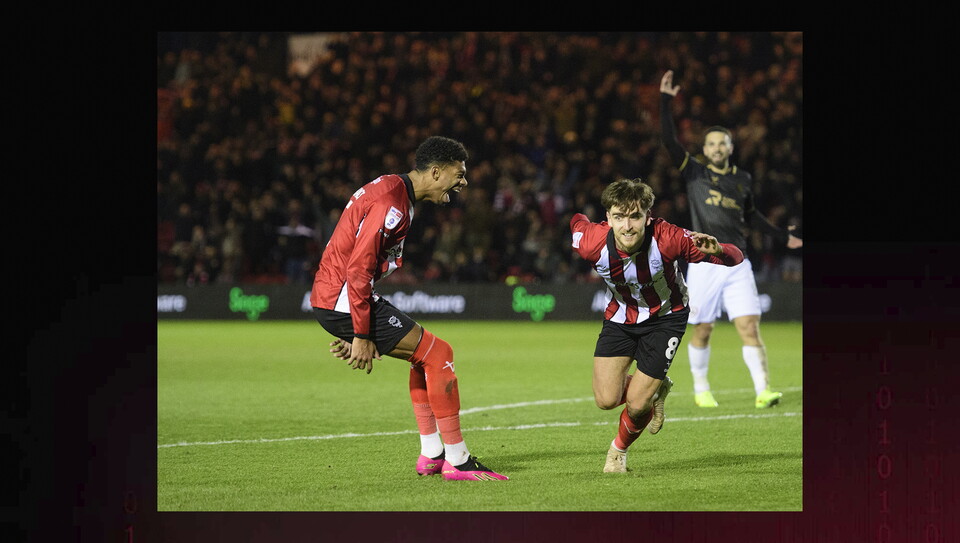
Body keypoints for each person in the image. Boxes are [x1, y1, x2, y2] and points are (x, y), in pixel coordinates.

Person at [310, 135, 508, 481]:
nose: (463, 182)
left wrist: (358, 326)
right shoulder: (393, 205)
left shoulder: (393, 187)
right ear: (435, 172)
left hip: (340, 299)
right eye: (458, 174)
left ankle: (432, 455)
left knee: (424, 358)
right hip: (343, 297)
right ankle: (458, 461)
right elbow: (358, 268)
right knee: (439, 354)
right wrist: (360, 331)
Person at [570, 178, 744, 473]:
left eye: (635, 216)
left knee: (637, 405)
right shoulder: (591, 243)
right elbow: (577, 222)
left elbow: (735, 258)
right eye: (619, 217)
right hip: (620, 318)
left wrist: (717, 251)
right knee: (605, 399)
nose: (627, 226)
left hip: (666, 318)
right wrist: (578, 221)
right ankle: (656, 387)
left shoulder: (669, 238)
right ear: (608, 218)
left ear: (648, 217)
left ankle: (618, 451)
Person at [659, 69, 803, 409]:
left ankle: (763, 390)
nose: (716, 147)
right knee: (702, 330)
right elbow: (668, 140)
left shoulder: (743, 180)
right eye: (711, 143)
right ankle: (701, 387)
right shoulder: (694, 172)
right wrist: (666, 102)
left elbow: (752, 216)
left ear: (731, 147)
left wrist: (783, 236)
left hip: (737, 261)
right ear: (705, 150)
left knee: (749, 327)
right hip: (704, 262)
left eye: (722, 141)